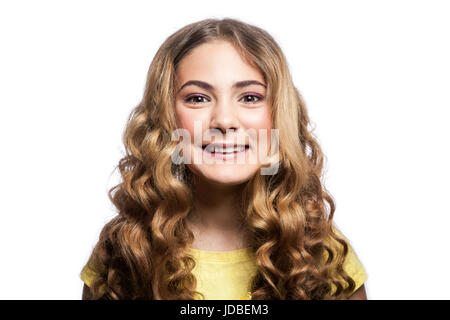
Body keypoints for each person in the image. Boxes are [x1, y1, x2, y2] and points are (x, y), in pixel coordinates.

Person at [80, 18, 368, 300]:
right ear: (165, 119)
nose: (225, 120)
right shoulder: (124, 250)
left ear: (279, 115)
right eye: (197, 98)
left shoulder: (321, 253)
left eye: (251, 97)